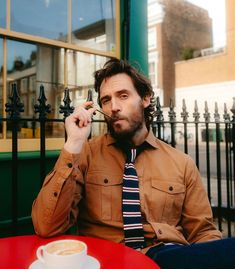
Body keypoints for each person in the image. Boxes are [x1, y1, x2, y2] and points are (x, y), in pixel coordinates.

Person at [32, 58, 235, 269]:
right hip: (109, 260)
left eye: (123, 96)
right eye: (106, 100)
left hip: (165, 257)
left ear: (146, 98)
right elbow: (46, 226)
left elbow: (203, 232)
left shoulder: (181, 163)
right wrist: (73, 144)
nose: (114, 107)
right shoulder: (85, 154)